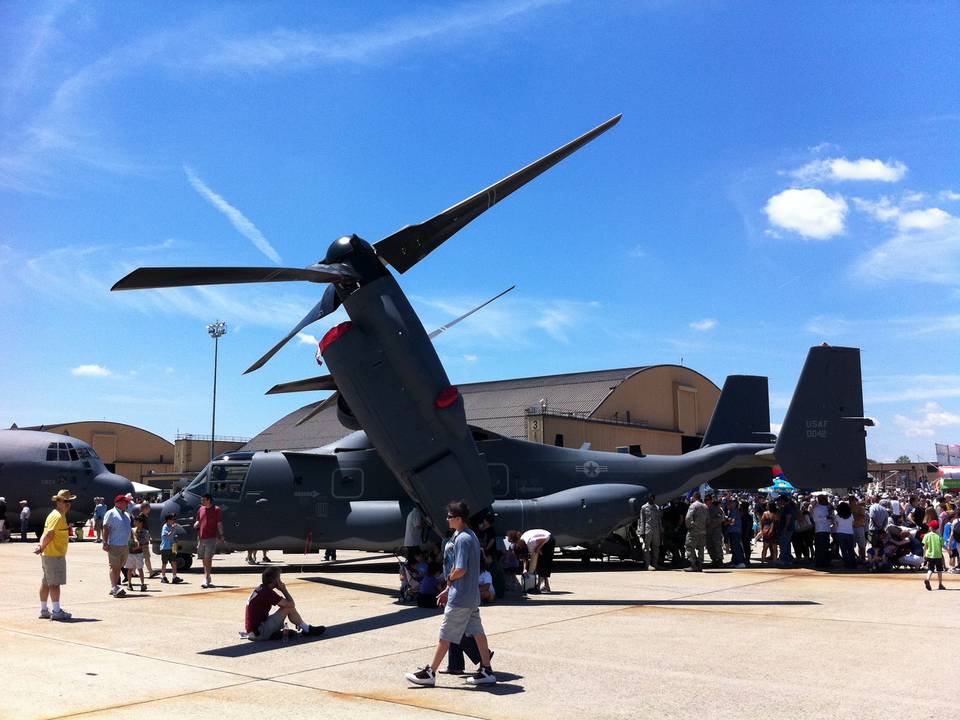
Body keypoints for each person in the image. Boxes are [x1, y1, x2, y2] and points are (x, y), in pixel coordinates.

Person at [406, 500, 496, 687]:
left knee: (445, 635)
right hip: (470, 596)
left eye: (449, 517)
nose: (446, 519)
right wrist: (449, 588)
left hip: (460, 598)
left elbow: (460, 569)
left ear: (458, 519)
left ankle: (430, 672)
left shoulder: (463, 538)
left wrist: (449, 582)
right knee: (478, 633)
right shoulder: (467, 535)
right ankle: (486, 670)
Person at [244, 567, 325, 640]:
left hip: (254, 631)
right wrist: (284, 590)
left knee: (287, 606)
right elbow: (291, 604)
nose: (280, 580)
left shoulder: (261, 588)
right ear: (274, 580)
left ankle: (276, 633)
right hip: (259, 632)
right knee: (288, 607)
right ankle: (306, 629)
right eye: (279, 578)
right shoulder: (267, 593)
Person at [35, 490, 76, 620]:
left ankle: (43, 610)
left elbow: (45, 533)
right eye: (65, 501)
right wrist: (41, 546)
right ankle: (57, 611)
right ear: (58, 502)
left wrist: (40, 546)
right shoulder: (57, 516)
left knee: (46, 582)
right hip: (54, 555)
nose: (68, 504)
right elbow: (49, 534)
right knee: (54, 583)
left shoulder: (57, 515)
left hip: (50, 554)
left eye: (69, 501)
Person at [102, 494, 132, 598]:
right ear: (118, 503)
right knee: (114, 567)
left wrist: (132, 541)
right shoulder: (110, 513)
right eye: (125, 502)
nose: (127, 504)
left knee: (119, 567)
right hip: (114, 544)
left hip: (124, 545)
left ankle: (114, 586)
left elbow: (129, 530)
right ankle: (114, 587)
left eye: (127, 502)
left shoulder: (127, 515)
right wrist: (105, 542)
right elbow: (105, 528)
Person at [194, 493, 224, 588]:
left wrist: (221, 535)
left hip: (211, 537)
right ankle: (207, 575)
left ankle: (206, 577)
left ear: (209, 500)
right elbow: (199, 520)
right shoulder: (201, 509)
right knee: (203, 557)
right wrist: (196, 524)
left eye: (203, 500)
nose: (201, 501)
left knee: (208, 558)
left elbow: (219, 523)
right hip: (201, 538)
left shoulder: (216, 509)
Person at [516, 528, 555, 593]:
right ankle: (546, 586)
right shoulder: (522, 543)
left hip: (549, 541)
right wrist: (525, 569)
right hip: (541, 541)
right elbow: (525, 557)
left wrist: (538, 547)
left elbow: (546, 538)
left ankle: (538, 587)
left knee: (542, 564)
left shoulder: (530, 542)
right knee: (541, 564)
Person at [684, 492, 708, 572]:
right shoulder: (705, 506)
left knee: (689, 547)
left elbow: (688, 517)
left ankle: (693, 565)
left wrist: (689, 526)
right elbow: (708, 519)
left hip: (694, 531)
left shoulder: (693, 505)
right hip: (703, 531)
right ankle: (700, 565)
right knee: (701, 548)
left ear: (694, 497)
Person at [125, 515, 149, 592]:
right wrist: (131, 545)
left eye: (136, 521)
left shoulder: (145, 532)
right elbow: (128, 540)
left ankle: (142, 584)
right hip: (130, 552)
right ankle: (129, 584)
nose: (134, 522)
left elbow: (146, 542)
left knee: (140, 569)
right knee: (129, 569)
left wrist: (138, 545)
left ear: (141, 523)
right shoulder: (131, 530)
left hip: (139, 553)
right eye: (134, 521)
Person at [638, 494, 662, 570]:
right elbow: (642, 520)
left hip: (656, 530)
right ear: (648, 499)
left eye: (653, 498)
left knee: (656, 547)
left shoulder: (657, 507)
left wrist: (661, 530)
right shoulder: (644, 507)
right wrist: (642, 532)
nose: (651, 499)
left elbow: (659, 520)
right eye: (650, 498)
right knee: (646, 547)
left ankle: (655, 563)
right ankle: (647, 564)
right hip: (647, 530)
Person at [159, 513, 184, 584]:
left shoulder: (171, 526)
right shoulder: (165, 526)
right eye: (172, 519)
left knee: (174, 562)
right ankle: (163, 577)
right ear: (168, 520)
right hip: (165, 547)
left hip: (173, 546)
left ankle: (174, 577)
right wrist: (173, 529)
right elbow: (167, 535)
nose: (174, 520)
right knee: (164, 563)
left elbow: (173, 537)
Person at [922, 520, 946, 591]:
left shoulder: (926, 535)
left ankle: (927, 579)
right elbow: (943, 546)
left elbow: (925, 547)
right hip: (938, 556)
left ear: (931, 527)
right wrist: (948, 550)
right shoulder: (939, 536)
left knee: (930, 569)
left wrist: (924, 555)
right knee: (939, 570)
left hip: (929, 556)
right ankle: (940, 584)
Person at [776, 494, 797, 566]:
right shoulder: (788, 507)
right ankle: (788, 559)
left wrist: (785, 527)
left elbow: (788, 517)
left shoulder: (787, 507)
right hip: (788, 528)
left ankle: (783, 559)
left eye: (779, 500)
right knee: (786, 544)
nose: (778, 502)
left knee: (784, 544)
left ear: (782, 500)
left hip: (786, 529)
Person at [705, 494, 725, 567]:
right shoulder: (704, 508)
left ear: (711, 500)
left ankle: (719, 560)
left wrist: (711, 522)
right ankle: (714, 559)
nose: (707, 501)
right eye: (705, 500)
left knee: (717, 545)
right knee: (709, 545)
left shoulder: (716, 509)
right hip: (708, 531)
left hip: (715, 530)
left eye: (708, 500)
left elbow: (721, 518)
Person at [835, 501, 857, 569]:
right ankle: (853, 563)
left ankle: (847, 563)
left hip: (840, 533)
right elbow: (853, 524)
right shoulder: (851, 515)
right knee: (851, 550)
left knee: (843, 550)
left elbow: (836, 524)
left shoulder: (838, 516)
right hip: (850, 533)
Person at [725, 497, 745, 568]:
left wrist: (726, 521)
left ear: (734, 503)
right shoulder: (733, 510)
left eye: (731, 502)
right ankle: (735, 561)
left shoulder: (733, 510)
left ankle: (740, 562)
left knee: (736, 547)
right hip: (734, 531)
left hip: (734, 531)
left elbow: (732, 522)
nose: (729, 503)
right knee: (734, 547)